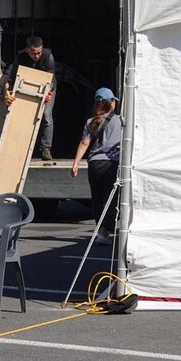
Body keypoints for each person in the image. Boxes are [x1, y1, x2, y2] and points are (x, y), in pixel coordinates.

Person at [71, 87, 122, 246]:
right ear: (111, 103)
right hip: (112, 163)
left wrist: (76, 162)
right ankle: (106, 231)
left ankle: (101, 231)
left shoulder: (90, 122)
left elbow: (84, 143)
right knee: (110, 198)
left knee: (97, 199)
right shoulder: (121, 121)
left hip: (94, 164)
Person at [4, 35, 56, 160]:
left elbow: (51, 80)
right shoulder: (20, 57)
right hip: (27, 87)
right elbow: (10, 80)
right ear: (27, 50)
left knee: (46, 115)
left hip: (47, 87)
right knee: (23, 114)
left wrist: (48, 93)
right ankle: (20, 148)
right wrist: (8, 93)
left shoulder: (48, 57)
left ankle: (46, 148)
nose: (37, 55)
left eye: (39, 52)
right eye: (34, 53)